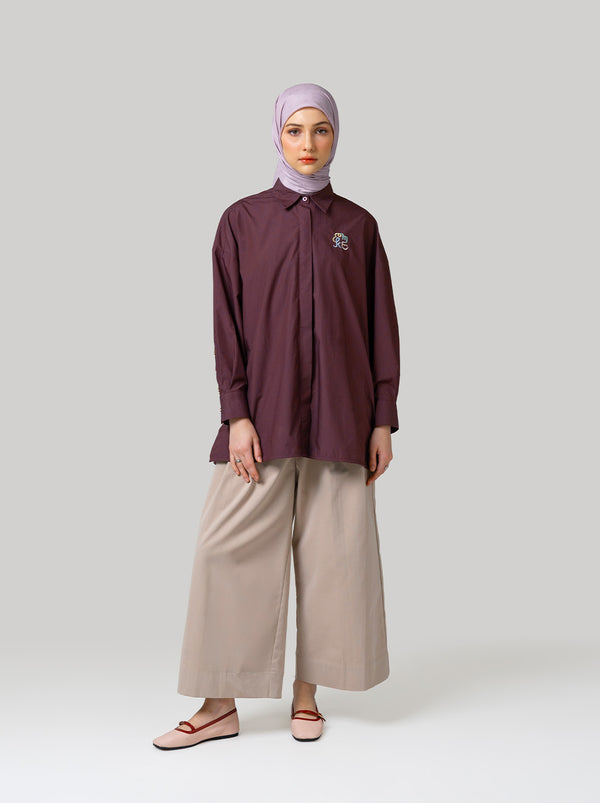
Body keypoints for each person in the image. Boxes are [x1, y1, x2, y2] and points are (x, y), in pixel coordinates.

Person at [153, 82, 400, 749]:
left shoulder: (359, 226)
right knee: (225, 549)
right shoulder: (242, 221)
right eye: (296, 130)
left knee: (333, 558)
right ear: (277, 136)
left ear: (336, 136)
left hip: (344, 420)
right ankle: (219, 704)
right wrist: (235, 413)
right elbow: (226, 325)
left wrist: (382, 417)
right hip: (262, 419)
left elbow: (380, 325)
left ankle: (307, 695)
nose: (308, 143)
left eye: (321, 130)